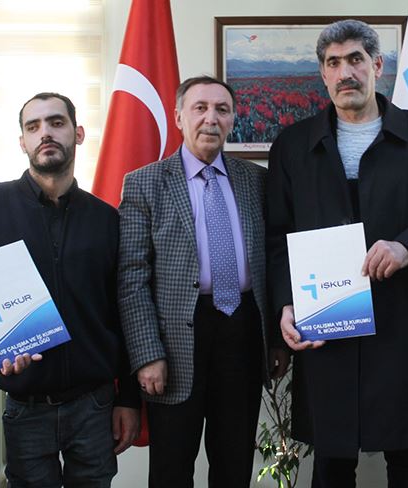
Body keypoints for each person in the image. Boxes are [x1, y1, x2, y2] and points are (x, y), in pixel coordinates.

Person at [266, 19, 408, 488]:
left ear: (378, 66)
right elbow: (278, 235)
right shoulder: (292, 146)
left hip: (406, 324)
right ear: (323, 73)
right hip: (328, 326)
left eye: (356, 59)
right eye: (334, 63)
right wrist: (285, 302)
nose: (346, 72)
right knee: (331, 466)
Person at [0, 92, 140, 487]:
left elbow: (124, 311)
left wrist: (129, 399)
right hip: (26, 406)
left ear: (78, 134)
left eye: (56, 123)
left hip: (95, 404)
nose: (45, 132)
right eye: (34, 126)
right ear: (23, 142)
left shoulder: (106, 219)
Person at [117, 76, 288, 488]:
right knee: (171, 470)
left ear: (232, 120)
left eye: (222, 110)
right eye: (200, 108)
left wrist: (276, 341)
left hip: (243, 332)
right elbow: (131, 277)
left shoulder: (256, 181)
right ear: (179, 117)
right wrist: (146, 354)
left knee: (234, 465)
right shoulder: (144, 183)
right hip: (175, 342)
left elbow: (273, 260)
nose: (211, 118)